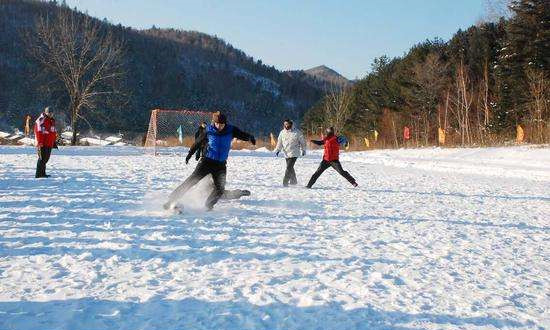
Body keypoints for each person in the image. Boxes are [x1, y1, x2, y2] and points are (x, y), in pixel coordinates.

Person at [164, 112, 256, 211]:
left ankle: (208, 206)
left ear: (225, 123)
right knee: (191, 181)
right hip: (206, 162)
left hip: (220, 165)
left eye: (222, 124)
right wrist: (190, 154)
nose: (220, 126)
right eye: (218, 124)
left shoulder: (231, 130)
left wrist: (250, 137)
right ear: (214, 123)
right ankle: (170, 201)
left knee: (220, 189)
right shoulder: (208, 130)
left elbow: (242, 134)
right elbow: (197, 143)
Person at [274, 119, 306, 186]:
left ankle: (285, 182)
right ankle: (294, 181)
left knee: (288, 168)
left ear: (291, 124)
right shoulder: (282, 132)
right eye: (285, 124)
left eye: (287, 124)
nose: (286, 125)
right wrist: (278, 150)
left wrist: (303, 150)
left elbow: (303, 142)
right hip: (286, 153)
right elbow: (279, 142)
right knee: (290, 167)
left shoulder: (297, 132)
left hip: (294, 153)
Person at [34, 107, 57, 178]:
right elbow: (38, 131)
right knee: (42, 158)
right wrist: (39, 142)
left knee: (46, 159)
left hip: (49, 143)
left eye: (52, 113)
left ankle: (43, 173)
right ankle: (38, 174)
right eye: (49, 112)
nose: (51, 114)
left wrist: (54, 141)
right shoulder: (41, 120)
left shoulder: (52, 120)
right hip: (42, 143)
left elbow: (52, 131)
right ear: (46, 112)